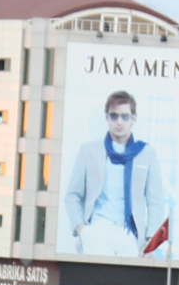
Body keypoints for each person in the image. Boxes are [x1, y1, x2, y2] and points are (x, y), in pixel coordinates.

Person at [64, 90, 170, 257]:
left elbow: (155, 201)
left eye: (125, 116)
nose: (119, 121)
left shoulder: (147, 153)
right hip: (98, 228)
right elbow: (72, 195)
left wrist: (151, 240)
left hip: (130, 233)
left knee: (126, 282)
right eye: (114, 116)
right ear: (106, 117)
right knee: (99, 280)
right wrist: (82, 229)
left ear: (133, 119)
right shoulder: (89, 150)